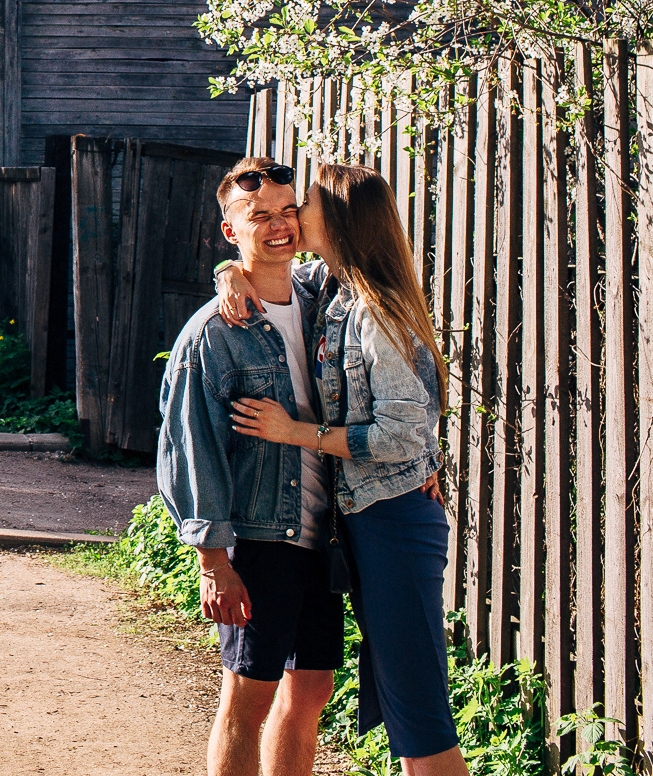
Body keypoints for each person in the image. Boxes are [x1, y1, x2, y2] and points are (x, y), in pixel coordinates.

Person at [219, 163, 467, 776]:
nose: (293, 216)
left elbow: (404, 431)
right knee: (399, 700)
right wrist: (229, 272)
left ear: (338, 219)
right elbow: (258, 265)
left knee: (418, 710)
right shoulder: (329, 293)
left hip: (394, 523)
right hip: (361, 522)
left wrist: (292, 431)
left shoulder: (375, 312)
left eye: (303, 204)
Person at [157, 155, 341, 776]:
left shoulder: (326, 298)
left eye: (289, 211)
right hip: (260, 540)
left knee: (311, 689)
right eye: (259, 216)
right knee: (247, 698)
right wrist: (212, 561)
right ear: (231, 231)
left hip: (326, 531)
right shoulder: (212, 332)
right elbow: (189, 450)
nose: (280, 225)